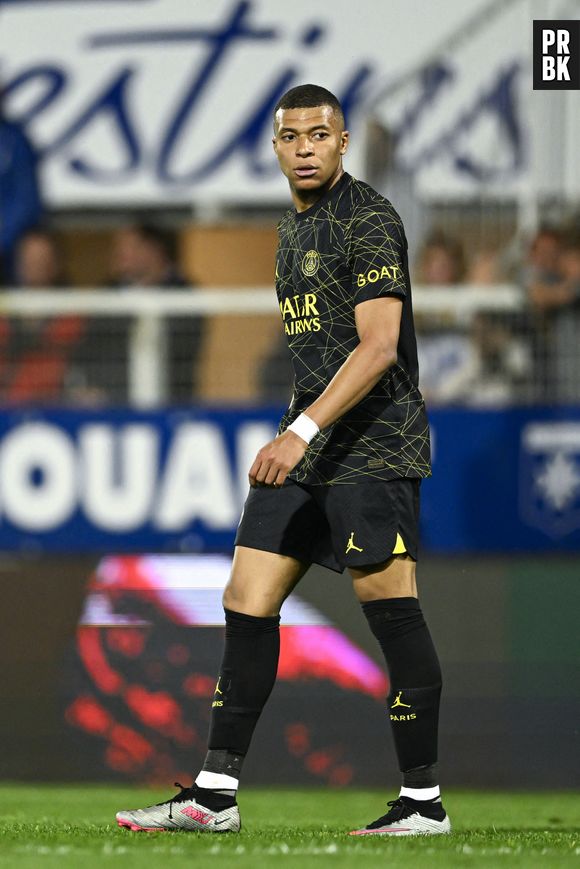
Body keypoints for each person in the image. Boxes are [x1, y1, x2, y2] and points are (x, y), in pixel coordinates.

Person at [116, 84, 449, 836]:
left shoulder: (368, 217)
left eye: (319, 134)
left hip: (372, 445)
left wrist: (299, 430)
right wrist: (299, 434)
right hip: (307, 446)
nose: (304, 148)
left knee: (390, 609)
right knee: (246, 596)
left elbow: (379, 348)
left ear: (343, 143)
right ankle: (214, 796)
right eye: (291, 136)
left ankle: (422, 801)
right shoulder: (291, 228)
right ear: (275, 147)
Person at [78, 223, 204, 403]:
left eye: (128, 246)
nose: (119, 253)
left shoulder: (185, 295)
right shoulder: (107, 293)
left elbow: (179, 350)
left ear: (154, 250)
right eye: (118, 247)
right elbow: (91, 347)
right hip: (111, 405)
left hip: (170, 402)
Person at [0, 229, 85, 403]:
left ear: (55, 264)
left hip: (55, 404)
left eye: (41, 259)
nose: (34, 265)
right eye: (28, 259)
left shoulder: (71, 314)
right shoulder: (4, 310)